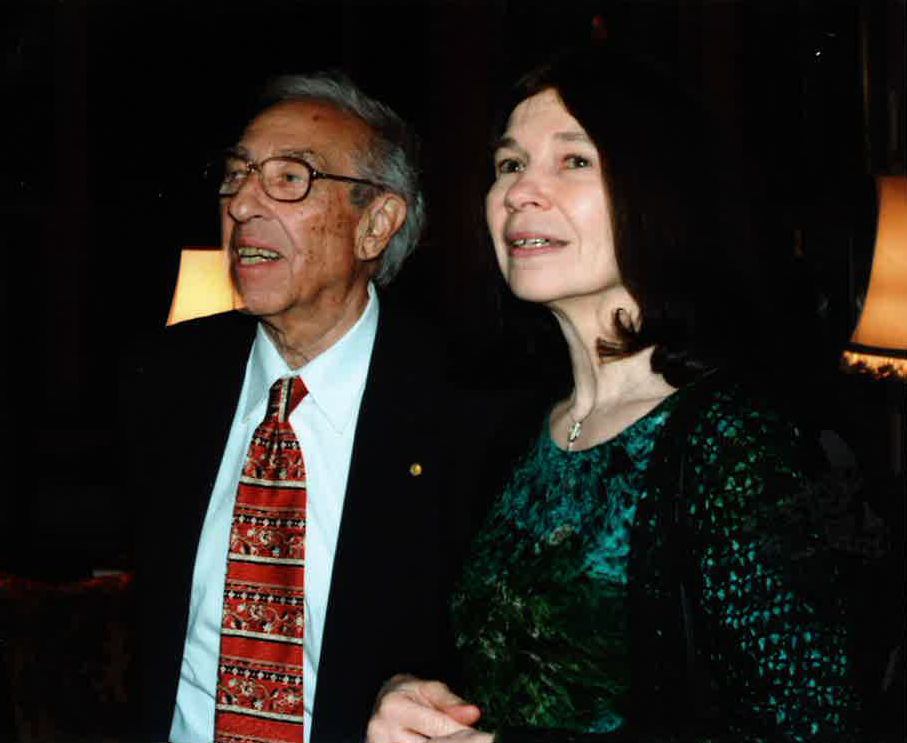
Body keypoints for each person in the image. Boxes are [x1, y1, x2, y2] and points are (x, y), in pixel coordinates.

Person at [367, 50, 864, 742]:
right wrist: (410, 695)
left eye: (572, 161)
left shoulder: (734, 441)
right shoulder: (509, 432)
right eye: (509, 164)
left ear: (660, 192)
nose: (518, 192)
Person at [122, 71, 500, 743]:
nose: (242, 206)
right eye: (236, 176)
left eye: (289, 178)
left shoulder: (471, 410)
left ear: (376, 223)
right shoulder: (167, 379)